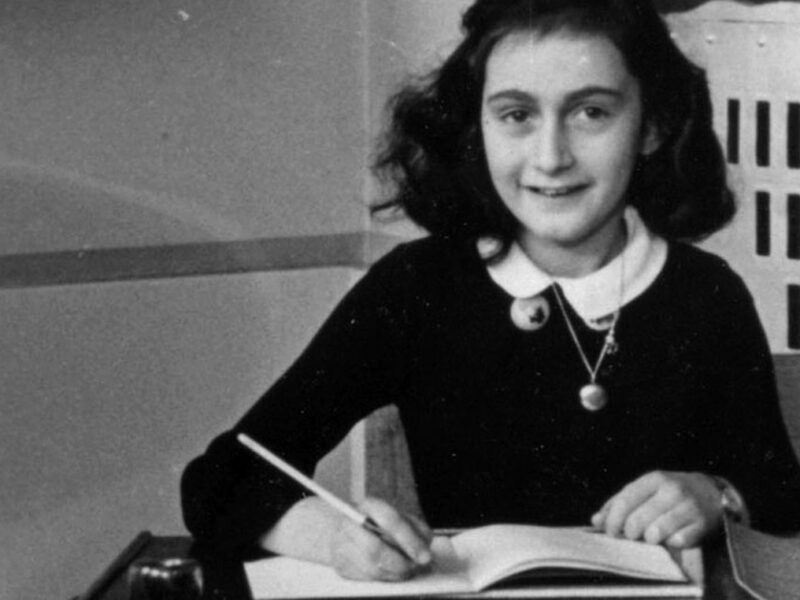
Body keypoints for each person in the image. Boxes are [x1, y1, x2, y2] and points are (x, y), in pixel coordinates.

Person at [181, 0, 800, 583]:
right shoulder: (414, 288)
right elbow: (219, 479)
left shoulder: (706, 295)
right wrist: (332, 536)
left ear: (653, 126)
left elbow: (783, 498)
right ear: (478, 126)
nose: (551, 156)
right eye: (516, 115)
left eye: (591, 112)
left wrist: (716, 494)